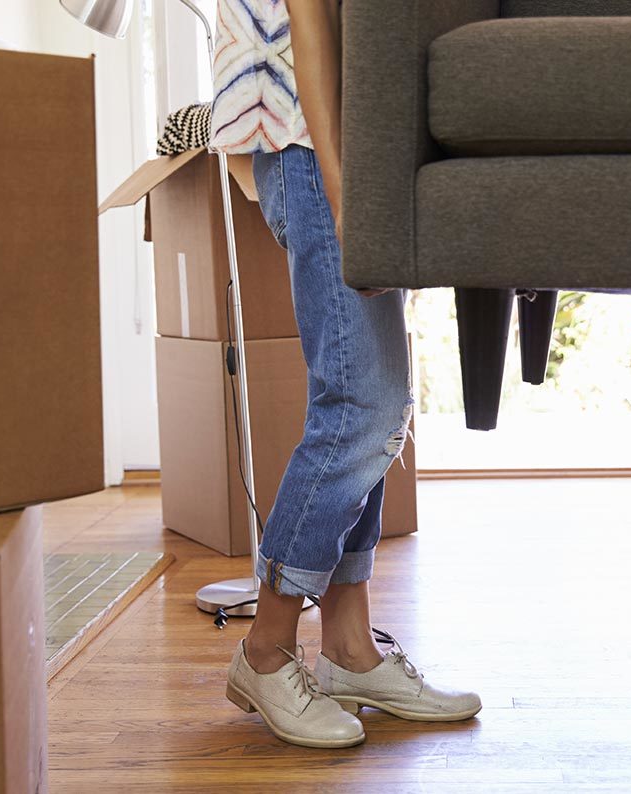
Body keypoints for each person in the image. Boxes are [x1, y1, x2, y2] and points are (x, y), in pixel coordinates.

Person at [210, 0, 481, 748]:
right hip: (309, 139)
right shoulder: (319, 159)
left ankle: (351, 649)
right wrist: (340, 185)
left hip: (330, 136)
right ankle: (264, 651)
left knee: (366, 401)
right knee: (363, 405)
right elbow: (308, 14)